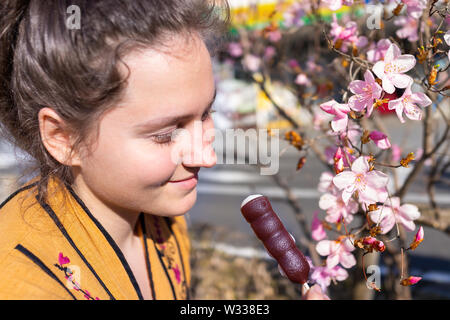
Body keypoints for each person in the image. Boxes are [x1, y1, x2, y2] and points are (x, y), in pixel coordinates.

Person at [0, 0, 329, 300]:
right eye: (166, 134)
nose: (206, 157)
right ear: (63, 137)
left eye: (205, 114)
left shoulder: (162, 222)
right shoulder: (24, 285)